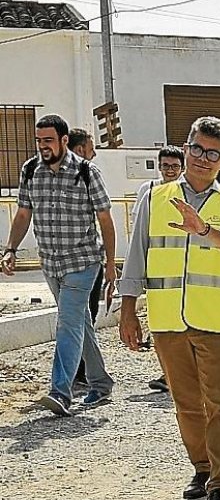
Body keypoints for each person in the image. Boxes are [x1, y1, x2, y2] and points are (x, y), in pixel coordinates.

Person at [117, 116, 220, 500]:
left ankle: (219, 486)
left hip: (215, 319)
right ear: (186, 147)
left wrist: (206, 229)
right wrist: (128, 308)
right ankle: (202, 467)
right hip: (167, 318)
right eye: (196, 148)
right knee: (186, 404)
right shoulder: (155, 197)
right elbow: (138, 252)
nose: (201, 158)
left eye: (212, 153)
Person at [2, 114, 116, 415]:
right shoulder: (30, 171)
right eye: (39, 141)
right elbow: (24, 214)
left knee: (67, 322)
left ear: (65, 140)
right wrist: (10, 249)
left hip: (82, 261)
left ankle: (60, 391)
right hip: (51, 262)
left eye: (49, 140)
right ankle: (101, 383)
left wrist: (110, 265)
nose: (43, 146)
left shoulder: (86, 172)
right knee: (79, 321)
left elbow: (105, 219)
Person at [134, 146, 186, 394]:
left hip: (184, 273)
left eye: (174, 167)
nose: (169, 171)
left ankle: (176, 374)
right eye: (165, 166)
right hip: (157, 272)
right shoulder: (149, 192)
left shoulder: (189, 193)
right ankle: (168, 373)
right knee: (161, 327)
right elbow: (140, 232)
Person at [66, 128, 108, 397]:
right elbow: (103, 218)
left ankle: (77, 373)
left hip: (65, 260)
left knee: (76, 318)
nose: (93, 154)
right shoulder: (86, 174)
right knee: (83, 317)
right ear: (80, 149)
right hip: (85, 259)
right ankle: (80, 374)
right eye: (91, 148)